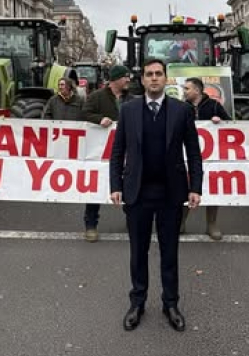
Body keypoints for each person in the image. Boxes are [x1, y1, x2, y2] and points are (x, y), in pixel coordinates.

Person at [110, 59, 203, 333]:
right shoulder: (127, 111)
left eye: (158, 74)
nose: (153, 79)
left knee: (169, 252)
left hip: (171, 194)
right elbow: (118, 152)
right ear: (142, 79)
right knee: (138, 252)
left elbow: (193, 153)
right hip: (137, 193)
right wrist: (115, 184)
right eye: (149, 74)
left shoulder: (181, 111)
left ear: (166, 79)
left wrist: (195, 187)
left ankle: (170, 303)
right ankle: (137, 302)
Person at [81, 65, 133, 242]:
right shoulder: (97, 97)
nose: (128, 80)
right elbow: (85, 113)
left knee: (129, 185)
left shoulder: (131, 98)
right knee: (96, 187)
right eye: (125, 77)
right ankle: (91, 225)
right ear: (115, 79)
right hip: (100, 153)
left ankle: (132, 222)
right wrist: (98, 119)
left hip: (126, 152)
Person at [181, 77, 231, 241]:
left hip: (212, 157)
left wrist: (221, 121)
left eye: (187, 88)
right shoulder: (183, 107)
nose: (184, 91)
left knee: (212, 188)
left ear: (197, 90)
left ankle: (212, 224)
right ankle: (181, 222)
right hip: (188, 156)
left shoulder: (215, 106)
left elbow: (232, 126)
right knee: (186, 187)